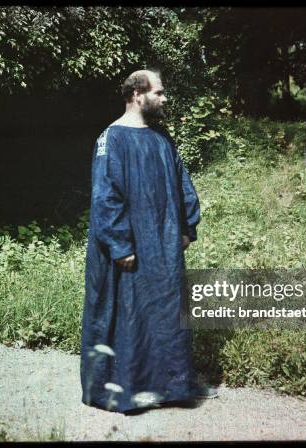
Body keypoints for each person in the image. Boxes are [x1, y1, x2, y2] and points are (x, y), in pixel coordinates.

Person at [80, 69, 215, 414]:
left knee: (167, 311)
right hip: (128, 247)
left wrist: (187, 227)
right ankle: (125, 390)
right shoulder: (110, 139)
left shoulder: (160, 140)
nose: (164, 99)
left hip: (163, 244)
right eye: (159, 93)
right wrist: (120, 244)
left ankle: (172, 386)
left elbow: (181, 182)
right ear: (137, 94)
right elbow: (105, 197)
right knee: (127, 314)